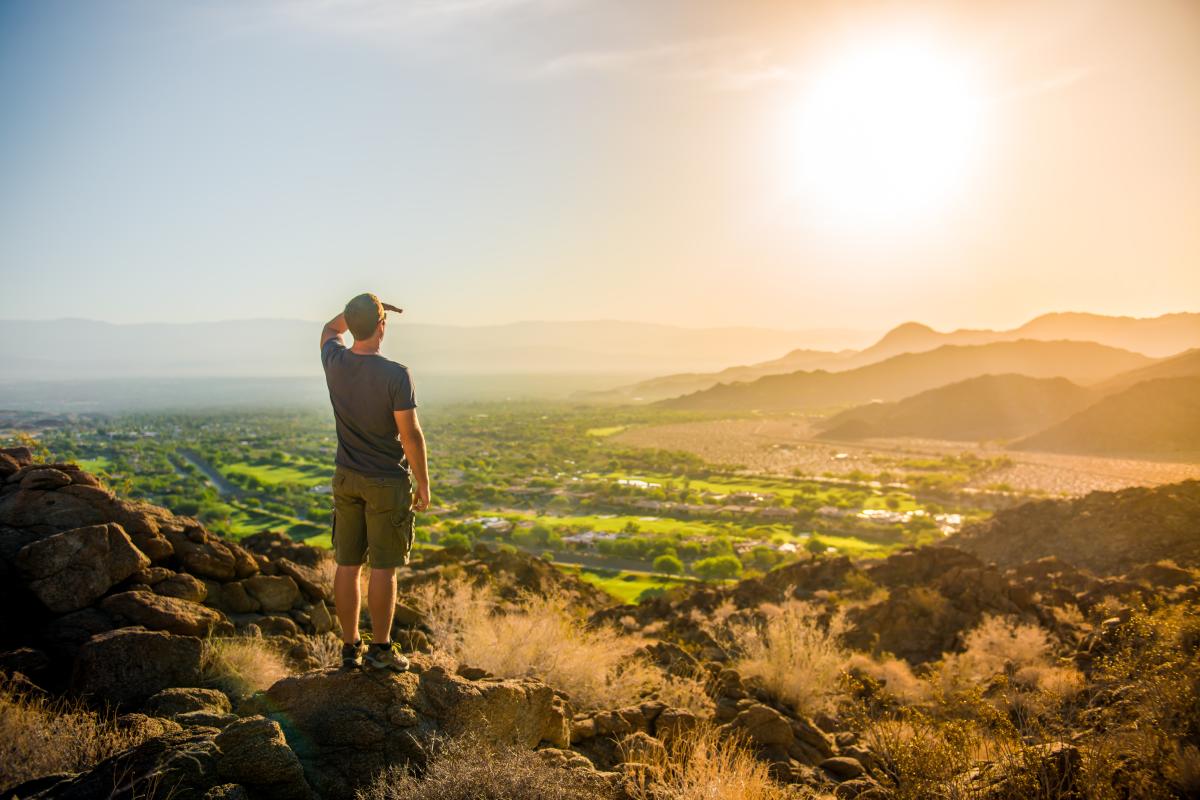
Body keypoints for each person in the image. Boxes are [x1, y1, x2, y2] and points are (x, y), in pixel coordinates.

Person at [319, 293, 430, 671]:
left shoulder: (334, 360)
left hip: (346, 477)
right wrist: (423, 481)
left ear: (353, 326)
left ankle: (350, 648)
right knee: (383, 567)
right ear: (382, 326)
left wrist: (362, 313)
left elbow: (330, 328)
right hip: (386, 481)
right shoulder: (396, 374)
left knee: (347, 565)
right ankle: (381, 651)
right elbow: (410, 435)